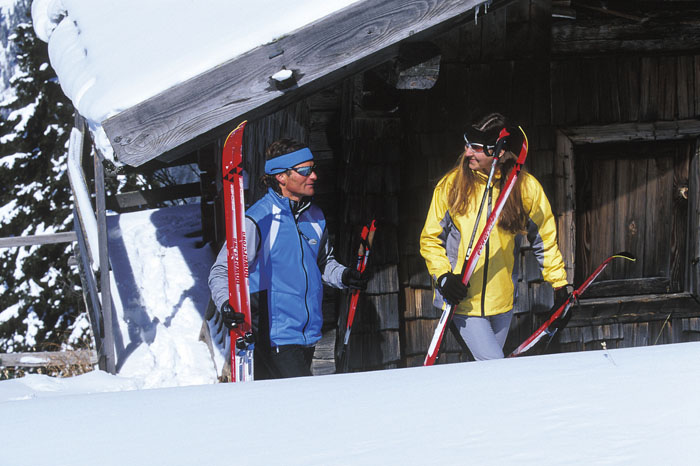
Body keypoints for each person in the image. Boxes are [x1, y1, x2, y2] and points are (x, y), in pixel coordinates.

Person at [209, 138, 366, 379]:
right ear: (281, 176)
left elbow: (323, 263)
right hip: (275, 337)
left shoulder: (315, 215)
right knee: (301, 407)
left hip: (310, 333)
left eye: (313, 168)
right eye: (305, 171)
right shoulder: (257, 220)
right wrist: (226, 304)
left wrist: (344, 275)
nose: (313, 176)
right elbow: (221, 271)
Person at [420, 113, 571, 361]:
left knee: (485, 376)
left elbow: (544, 237)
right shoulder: (451, 186)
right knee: (495, 367)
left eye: (477, 148)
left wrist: (559, 285)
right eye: (467, 144)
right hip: (462, 300)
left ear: (498, 152)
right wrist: (444, 278)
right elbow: (430, 238)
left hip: (502, 303)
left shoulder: (524, 187)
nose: (468, 152)